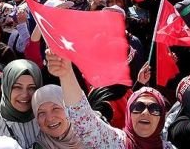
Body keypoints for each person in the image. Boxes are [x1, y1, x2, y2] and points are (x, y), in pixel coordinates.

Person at [46, 50, 175, 148]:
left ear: (162, 118)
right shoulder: (115, 142)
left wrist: (140, 84)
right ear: (129, 115)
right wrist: (66, 74)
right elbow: (83, 119)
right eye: (138, 107)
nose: (145, 112)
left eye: (154, 108)